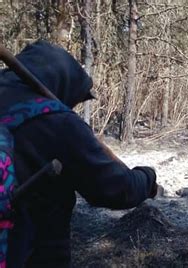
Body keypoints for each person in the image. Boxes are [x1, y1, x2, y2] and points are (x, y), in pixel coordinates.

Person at [0, 40, 159, 267]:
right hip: (30, 254)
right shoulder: (58, 122)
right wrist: (147, 177)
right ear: (63, 85)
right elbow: (117, 189)